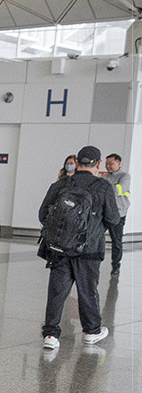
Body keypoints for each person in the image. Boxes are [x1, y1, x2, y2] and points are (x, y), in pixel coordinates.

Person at [39, 145, 119, 352]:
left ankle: (51, 335)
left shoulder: (61, 184)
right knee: (88, 291)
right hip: (89, 250)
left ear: (76, 163)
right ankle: (91, 332)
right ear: (98, 164)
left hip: (60, 248)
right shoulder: (102, 186)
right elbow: (113, 219)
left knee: (57, 292)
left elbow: (42, 214)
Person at [102, 153, 130, 276]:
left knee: (116, 241)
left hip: (119, 214)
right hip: (104, 213)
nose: (108, 166)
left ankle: (115, 266)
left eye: (111, 163)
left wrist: (105, 190)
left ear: (119, 163)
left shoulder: (125, 176)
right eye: (106, 164)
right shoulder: (104, 177)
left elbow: (117, 191)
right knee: (95, 237)